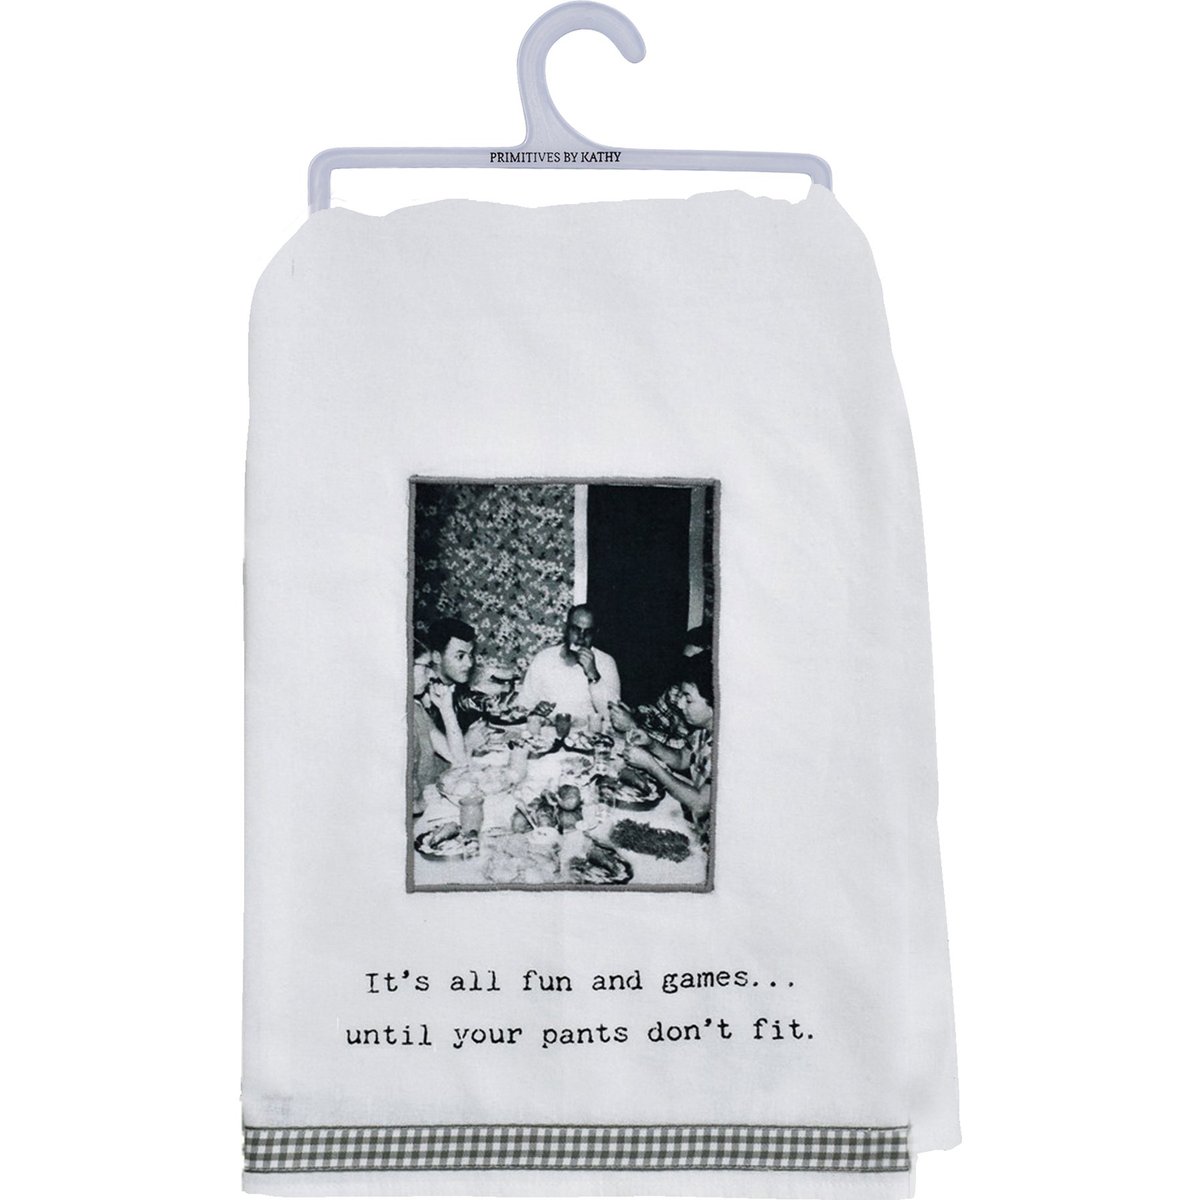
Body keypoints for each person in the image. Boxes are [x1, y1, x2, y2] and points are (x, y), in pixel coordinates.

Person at [623, 651, 714, 834]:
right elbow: (682, 759)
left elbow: (700, 804)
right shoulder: (702, 731)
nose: (680, 704)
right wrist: (651, 744)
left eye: (688, 699)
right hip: (692, 817)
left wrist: (651, 766)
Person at [612, 623, 712, 749]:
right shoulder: (678, 689)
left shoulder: (705, 704)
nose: (687, 668)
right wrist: (635, 713)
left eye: (694, 663)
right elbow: (657, 714)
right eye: (685, 661)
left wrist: (633, 726)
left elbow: (681, 749)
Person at [517, 603, 620, 722]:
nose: (581, 637)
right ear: (566, 629)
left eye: (588, 632)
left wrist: (593, 674)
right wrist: (535, 712)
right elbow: (523, 705)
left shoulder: (606, 662)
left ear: (595, 633)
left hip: (587, 731)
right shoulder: (544, 658)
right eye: (576, 629)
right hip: (548, 731)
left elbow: (613, 717)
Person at [410, 639, 465, 809]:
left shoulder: (415, 708)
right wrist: (417, 806)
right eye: (426, 667)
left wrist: (446, 709)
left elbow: (458, 759)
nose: (432, 675)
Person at [424, 617, 488, 749]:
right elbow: (426, 757)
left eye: (470, 655)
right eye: (460, 656)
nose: (469, 663)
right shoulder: (424, 698)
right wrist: (465, 744)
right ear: (437, 657)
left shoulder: (456, 686)